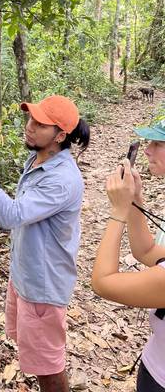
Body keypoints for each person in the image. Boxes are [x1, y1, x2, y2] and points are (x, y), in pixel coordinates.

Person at [0, 95, 90, 392]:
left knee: (48, 368)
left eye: (40, 124)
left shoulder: (62, 179)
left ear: (60, 135)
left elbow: (12, 215)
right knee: (39, 359)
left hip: (43, 286)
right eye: (30, 119)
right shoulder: (39, 157)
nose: (29, 127)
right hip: (26, 274)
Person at [92, 118, 165, 391]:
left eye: (157, 143)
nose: (147, 150)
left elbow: (103, 282)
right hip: (155, 362)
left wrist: (119, 212)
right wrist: (134, 201)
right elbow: (146, 251)